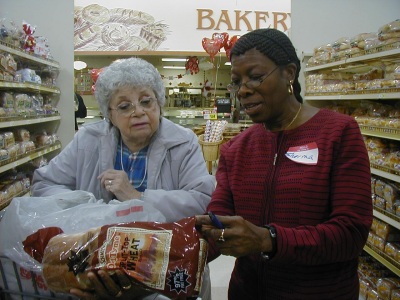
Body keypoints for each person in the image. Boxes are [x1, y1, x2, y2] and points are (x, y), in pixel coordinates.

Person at [195, 28, 373, 300]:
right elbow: (219, 217)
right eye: (236, 81)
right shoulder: (236, 148)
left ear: (289, 73)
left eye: (255, 77)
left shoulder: (337, 133)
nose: (243, 90)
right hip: (247, 292)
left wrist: (269, 240)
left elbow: (351, 232)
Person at [31, 57, 215, 300]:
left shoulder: (183, 141)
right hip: (99, 267)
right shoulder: (88, 140)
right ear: (110, 113)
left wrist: (138, 197)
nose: (138, 111)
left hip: (162, 266)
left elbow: (202, 200)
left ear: (159, 103)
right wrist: (85, 206)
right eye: (125, 106)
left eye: (146, 101)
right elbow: (44, 184)